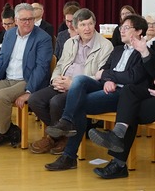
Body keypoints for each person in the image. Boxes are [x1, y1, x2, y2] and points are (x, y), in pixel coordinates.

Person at [43, 14, 148, 171]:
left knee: (79, 104)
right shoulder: (118, 50)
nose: (122, 31)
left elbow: (132, 77)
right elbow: (103, 70)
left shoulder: (144, 52)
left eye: (126, 28)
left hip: (123, 94)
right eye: (121, 28)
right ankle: (66, 121)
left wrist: (108, 77)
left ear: (139, 31)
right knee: (79, 80)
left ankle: (69, 156)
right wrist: (108, 80)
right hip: (107, 87)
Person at [88, 16, 155, 179]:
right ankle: (118, 139)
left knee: (129, 111)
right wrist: (144, 52)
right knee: (129, 92)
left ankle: (118, 162)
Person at [28, 8, 113, 155]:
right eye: (83, 25)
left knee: (56, 102)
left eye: (90, 24)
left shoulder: (105, 46)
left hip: (82, 86)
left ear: (95, 24)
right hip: (62, 83)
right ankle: (60, 136)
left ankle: (55, 137)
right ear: (75, 27)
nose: (87, 28)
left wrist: (72, 83)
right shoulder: (70, 42)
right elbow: (60, 65)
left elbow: (100, 76)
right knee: (35, 99)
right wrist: (55, 79)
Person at [0, 3, 53, 148]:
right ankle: (10, 130)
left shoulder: (43, 38)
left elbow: (41, 68)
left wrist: (29, 91)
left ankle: (3, 133)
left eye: (30, 19)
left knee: (3, 96)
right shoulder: (10, 34)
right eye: (23, 19)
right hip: (8, 78)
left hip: (27, 80)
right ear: (16, 20)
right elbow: (1, 59)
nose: (27, 22)